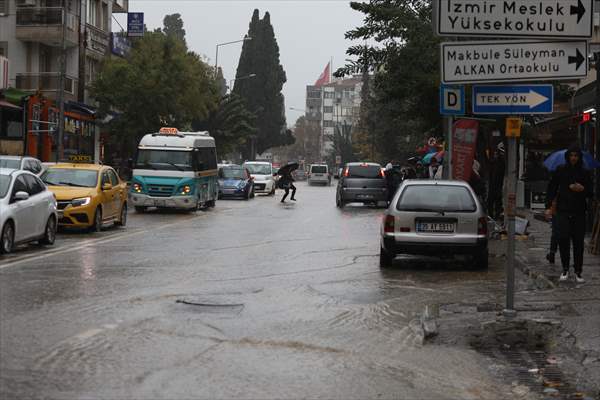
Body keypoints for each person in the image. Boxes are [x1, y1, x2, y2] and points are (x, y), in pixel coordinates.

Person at [545, 145, 593, 283]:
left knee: (578, 242)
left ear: (579, 157)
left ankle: (578, 271)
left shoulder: (584, 172)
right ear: (568, 157)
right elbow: (552, 188)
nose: (573, 158)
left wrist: (582, 189)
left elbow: (590, 192)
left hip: (579, 211)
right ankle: (565, 268)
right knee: (563, 239)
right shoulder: (561, 170)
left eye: (576, 156)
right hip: (563, 210)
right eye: (571, 155)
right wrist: (548, 206)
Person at [487, 143, 506, 220]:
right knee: (494, 201)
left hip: (496, 185)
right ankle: (494, 215)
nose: (495, 154)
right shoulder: (496, 162)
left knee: (495, 201)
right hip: (495, 185)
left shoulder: (499, 163)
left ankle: (495, 215)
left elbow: (496, 174)